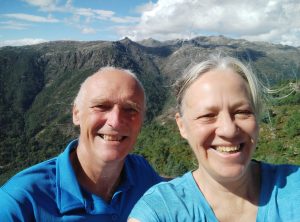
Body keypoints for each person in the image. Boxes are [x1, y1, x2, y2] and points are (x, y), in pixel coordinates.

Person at [128, 54, 300, 221]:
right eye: (207, 115)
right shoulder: (160, 210)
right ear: (182, 126)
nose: (229, 130)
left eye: (242, 112)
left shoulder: (295, 188)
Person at [0, 67, 163, 221]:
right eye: (101, 106)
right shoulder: (21, 200)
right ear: (76, 114)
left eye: (130, 109)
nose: (116, 121)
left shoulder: (143, 174)